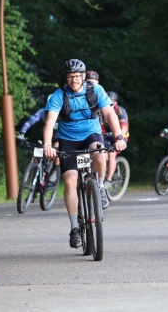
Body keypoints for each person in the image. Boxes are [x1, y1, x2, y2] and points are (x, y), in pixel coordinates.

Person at [43, 59, 127, 249]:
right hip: (68, 140)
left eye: (77, 76)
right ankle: (74, 227)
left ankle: (99, 187)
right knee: (71, 181)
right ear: (66, 78)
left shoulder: (95, 91)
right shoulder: (59, 95)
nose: (74, 80)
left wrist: (119, 136)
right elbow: (49, 122)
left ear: (84, 76)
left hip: (91, 134)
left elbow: (110, 114)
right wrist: (48, 144)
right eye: (70, 77)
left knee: (99, 151)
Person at [17, 94, 60, 182]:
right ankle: (37, 175)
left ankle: (55, 169)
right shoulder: (43, 111)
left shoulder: (63, 113)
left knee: (57, 149)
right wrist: (22, 133)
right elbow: (29, 123)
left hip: (59, 136)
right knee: (38, 152)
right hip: (46, 135)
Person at [100, 91, 130, 189]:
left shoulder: (120, 111)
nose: (110, 104)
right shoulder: (101, 111)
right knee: (101, 152)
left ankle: (108, 180)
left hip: (121, 136)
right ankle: (102, 173)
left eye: (112, 102)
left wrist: (119, 138)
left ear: (116, 102)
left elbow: (124, 127)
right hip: (107, 135)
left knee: (111, 154)